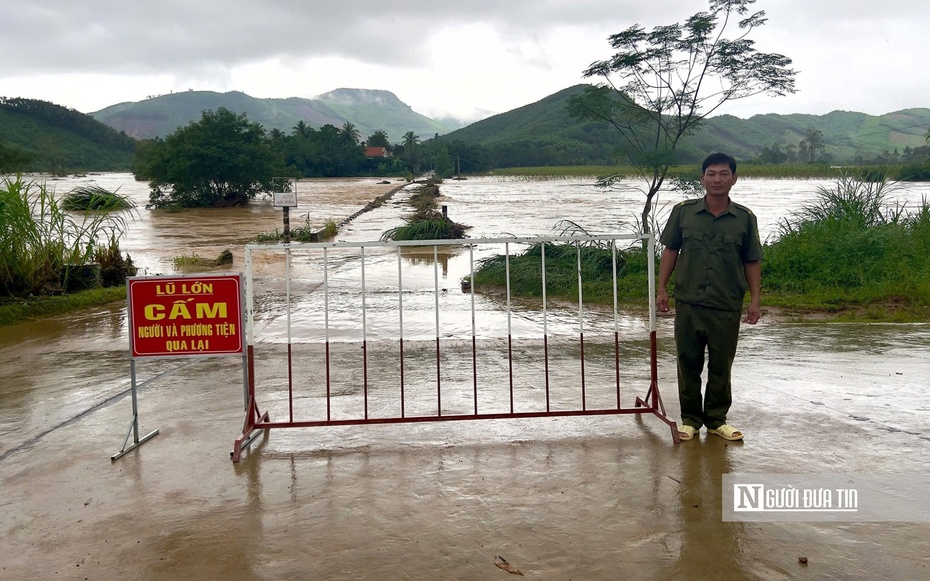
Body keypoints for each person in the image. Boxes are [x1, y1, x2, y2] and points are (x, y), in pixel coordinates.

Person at [657, 152, 762, 442]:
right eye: (712, 174)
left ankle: (716, 419)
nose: (717, 179)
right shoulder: (684, 212)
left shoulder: (744, 218)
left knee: (721, 365)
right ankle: (690, 419)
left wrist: (754, 300)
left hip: (726, 304)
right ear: (702, 178)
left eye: (724, 174)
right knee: (687, 362)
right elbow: (670, 251)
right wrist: (662, 289)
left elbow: (751, 260)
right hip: (689, 302)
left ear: (734, 179)